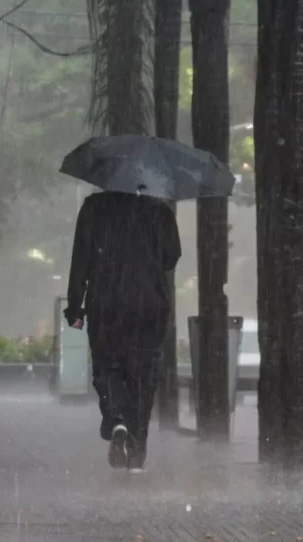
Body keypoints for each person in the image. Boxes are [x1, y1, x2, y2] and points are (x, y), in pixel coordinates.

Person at [64, 191, 181, 473]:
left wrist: (74, 306)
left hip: (106, 303)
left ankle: (117, 419)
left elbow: (80, 258)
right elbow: (171, 256)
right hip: (149, 305)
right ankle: (137, 448)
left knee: (108, 368)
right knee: (144, 374)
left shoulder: (94, 208)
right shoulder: (159, 210)